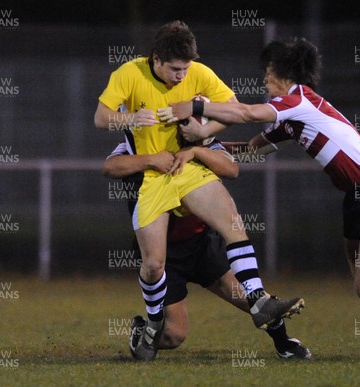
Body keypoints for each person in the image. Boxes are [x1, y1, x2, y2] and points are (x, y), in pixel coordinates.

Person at [158, 37, 360, 362]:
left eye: (268, 73)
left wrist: (196, 108)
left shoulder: (299, 100)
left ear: (283, 74)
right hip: (357, 197)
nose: (264, 80)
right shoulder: (293, 116)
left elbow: (247, 112)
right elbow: (253, 149)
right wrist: (203, 148)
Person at [94, 20, 304, 361]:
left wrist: (200, 135)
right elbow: (102, 120)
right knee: (156, 278)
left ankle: (263, 304)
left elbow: (233, 116)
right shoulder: (129, 75)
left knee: (233, 226)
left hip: (198, 233)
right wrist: (132, 120)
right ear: (156, 59)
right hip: (156, 185)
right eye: (175, 69)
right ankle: (150, 326)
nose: (181, 76)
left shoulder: (202, 128)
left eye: (186, 70)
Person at [103, 133, 311, 360]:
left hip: (202, 244)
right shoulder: (137, 146)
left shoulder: (198, 142)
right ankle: (144, 331)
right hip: (164, 256)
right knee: (174, 335)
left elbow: (232, 165)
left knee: (254, 299)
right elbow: (110, 167)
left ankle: (284, 344)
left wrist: (282, 137)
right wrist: (152, 159)